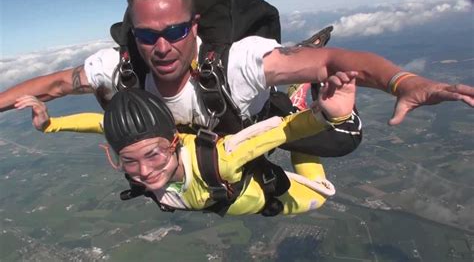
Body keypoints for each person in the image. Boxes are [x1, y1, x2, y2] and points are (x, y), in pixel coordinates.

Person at [2, 0, 473, 155]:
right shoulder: (118, 66)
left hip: (252, 120)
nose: (161, 46)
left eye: (174, 31)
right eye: (147, 35)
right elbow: (54, 84)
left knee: (344, 139)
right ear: (132, 35)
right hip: (198, 140)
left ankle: (296, 86)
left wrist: (402, 82)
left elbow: (338, 61)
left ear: (194, 27)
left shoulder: (239, 62)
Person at [14, 70, 357, 215]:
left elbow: (280, 133)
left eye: (153, 155)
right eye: (128, 161)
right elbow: (98, 124)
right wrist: (50, 125)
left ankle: (295, 99)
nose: (144, 172)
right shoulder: (139, 149)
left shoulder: (222, 158)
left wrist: (326, 115)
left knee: (319, 196)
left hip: (269, 200)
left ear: (175, 141)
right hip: (235, 203)